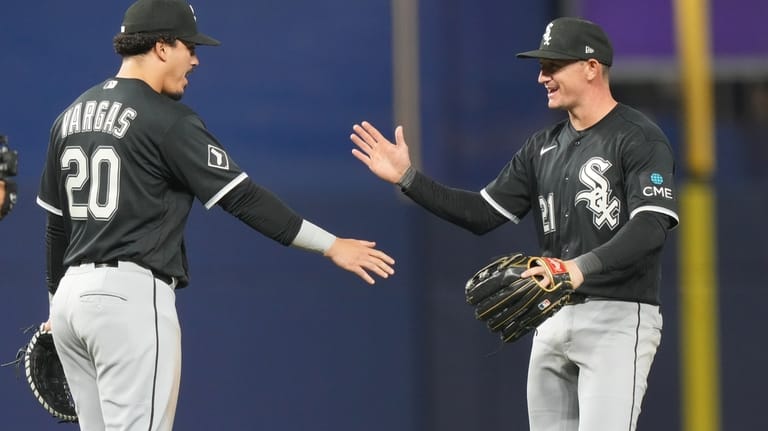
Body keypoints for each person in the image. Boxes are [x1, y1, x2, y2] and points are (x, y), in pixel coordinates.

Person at [36, 0, 395, 430]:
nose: (196, 59)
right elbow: (242, 198)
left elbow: (57, 225)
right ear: (162, 47)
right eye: (189, 46)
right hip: (127, 300)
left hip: (72, 299)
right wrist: (331, 245)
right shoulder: (166, 120)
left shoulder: (69, 117)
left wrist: (57, 305)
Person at [350, 16, 678, 431]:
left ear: (592, 67)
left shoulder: (638, 137)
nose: (542, 76)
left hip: (617, 315)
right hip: (552, 312)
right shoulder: (543, 146)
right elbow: (482, 214)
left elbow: (651, 227)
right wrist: (409, 180)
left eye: (554, 65)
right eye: (541, 67)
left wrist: (577, 269)